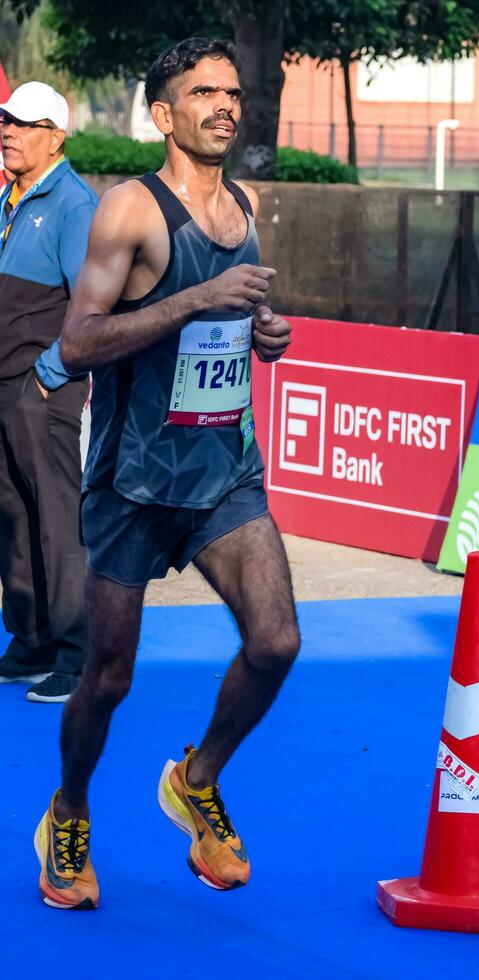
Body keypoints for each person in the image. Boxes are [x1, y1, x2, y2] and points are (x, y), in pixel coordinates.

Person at [35, 38, 300, 910]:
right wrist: (189, 301)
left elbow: (240, 322)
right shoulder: (128, 213)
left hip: (224, 470)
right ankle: (68, 813)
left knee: (275, 642)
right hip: (133, 481)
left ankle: (197, 777)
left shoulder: (248, 202)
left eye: (232, 91)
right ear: (163, 114)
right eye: (204, 93)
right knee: (107, 677)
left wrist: (265, 336)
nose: (225, 105)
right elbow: (77, 345)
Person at [0, 82, 97, 703]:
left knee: (59, 520)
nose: (8, 130)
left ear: (55, 137)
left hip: (43, 391)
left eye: (23, 124)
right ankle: (32, 638)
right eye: (4, 121)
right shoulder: (8, 194)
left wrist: (50, 375)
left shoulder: (73, 203)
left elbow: (92, 308)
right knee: (13, 515)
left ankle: (76, 650)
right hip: (5, 388)